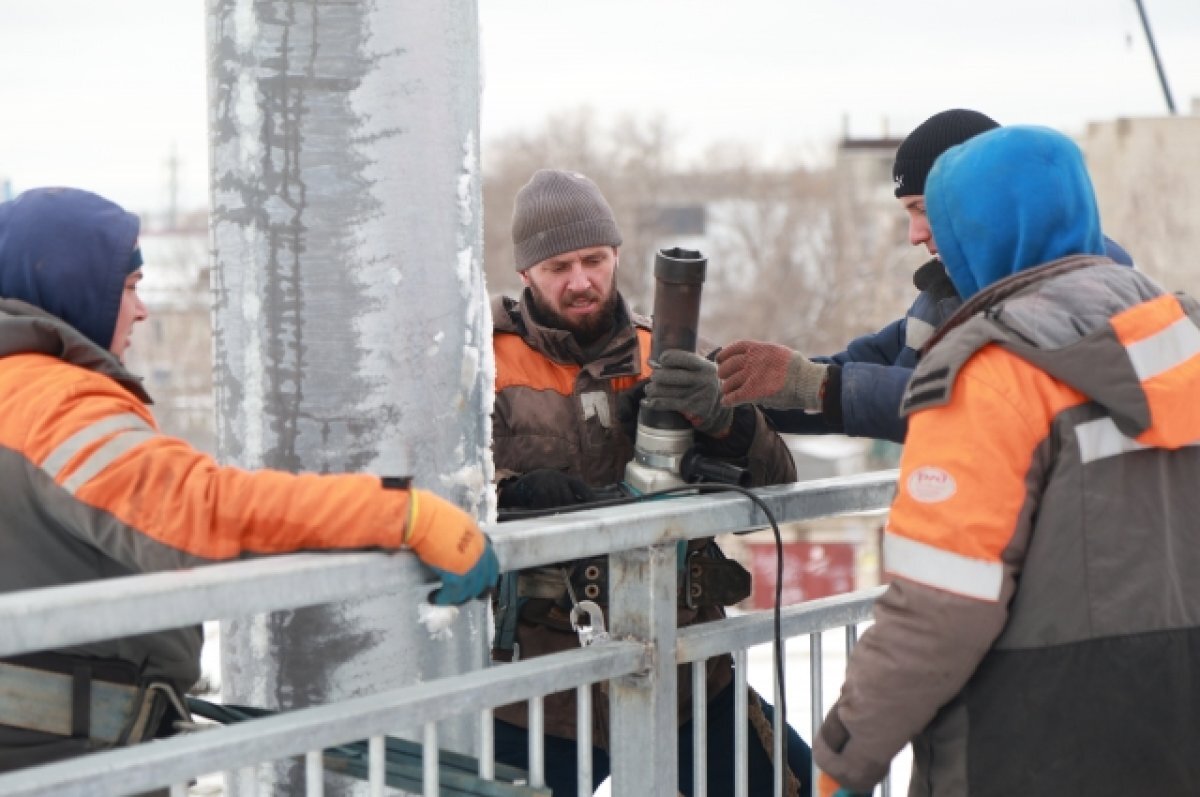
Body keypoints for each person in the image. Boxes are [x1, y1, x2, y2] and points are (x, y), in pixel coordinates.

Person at [0, 187, 499, 772]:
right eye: (130, 287)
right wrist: (404, 513)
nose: (142, 310)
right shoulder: (46, 403)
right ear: (69, 284)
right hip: (56, 758)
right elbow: (195, 512)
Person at [813, 126, 1200, 797]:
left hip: (1028, 748)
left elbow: (938, 608)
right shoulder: (1180, 339)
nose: (922, 240)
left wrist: (844, 755)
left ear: (981, 232)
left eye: (942, 219)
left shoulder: (989, 374)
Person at [489, 169, 811, 796]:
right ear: (526, 273)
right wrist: (511, 492)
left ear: (616, 256)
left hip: (683, 667)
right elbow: (442, 487)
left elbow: (778, 482)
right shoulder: (485, 364)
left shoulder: (669, 351)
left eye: (593, 259)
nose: (581, 281)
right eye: (558, 267)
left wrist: (722, 420)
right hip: (540, 686)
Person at [716, 109, 1133, 444]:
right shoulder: (951, 298)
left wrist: (818, 385)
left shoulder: (1079, 303)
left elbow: (970, 406)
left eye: (924, 208)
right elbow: (861, 368)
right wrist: (731, 392)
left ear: (982, 203)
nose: (915, 235)